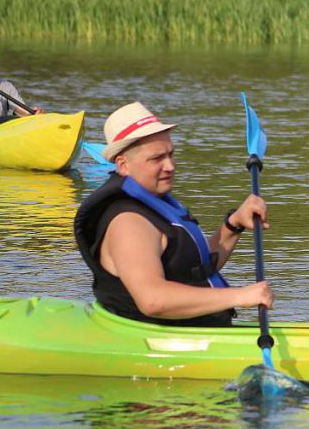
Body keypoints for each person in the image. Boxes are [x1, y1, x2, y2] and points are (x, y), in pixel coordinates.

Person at [74, 102, 273, 327]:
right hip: (154, 343)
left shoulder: (154, 204)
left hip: (194, 334)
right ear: (123, 165)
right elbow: (153, 301)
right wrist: (240, 296)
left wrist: (234, 224)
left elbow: (196, 270)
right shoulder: (128, 223)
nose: (170, 166)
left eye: (170, 154)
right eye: (156, 159)